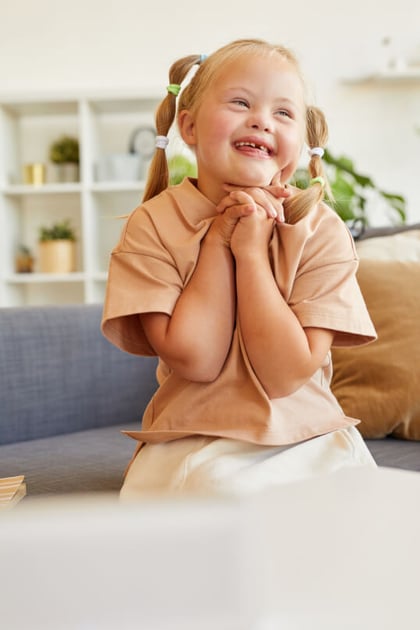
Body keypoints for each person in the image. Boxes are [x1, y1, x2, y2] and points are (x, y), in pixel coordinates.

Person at [101, 38, 377, 499]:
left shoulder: (319, 230)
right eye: (240, 102)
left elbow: (285, 374)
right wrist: (218, 242)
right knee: (217, 501)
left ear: (301, 141)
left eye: (283, 113)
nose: (261, 120)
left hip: (308, 438)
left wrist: (251, 256)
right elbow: (197, 359)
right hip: (191, 438)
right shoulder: (153, 224)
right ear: (188, 126)